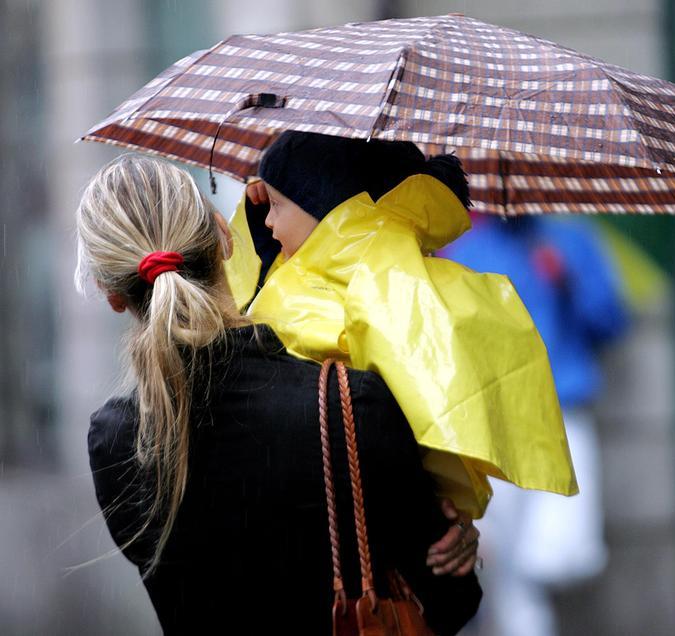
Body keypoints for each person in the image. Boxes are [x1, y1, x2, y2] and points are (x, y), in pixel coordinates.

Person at [77, 154, 482, 634]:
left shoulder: (114, 440)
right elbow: (451, 601)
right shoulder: (349, 404)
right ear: (223, 236)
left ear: (110, 292)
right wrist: (458, 535)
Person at [225, 131, 577, 519]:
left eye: (276, 205)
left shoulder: (385, 288)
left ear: (327, 208)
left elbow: (428, 421)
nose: (269, 220)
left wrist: (445, 514)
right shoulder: (362, 271)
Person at [442, 214, 629, 636]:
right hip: (496, 421)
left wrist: (569, 278)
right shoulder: (470, 250)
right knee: (505, 565)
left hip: (562, 416)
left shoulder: (572, 241)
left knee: (553, 556)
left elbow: (613, 319)